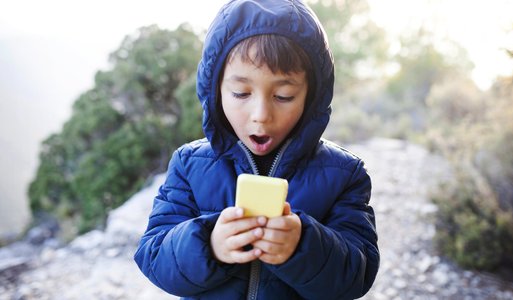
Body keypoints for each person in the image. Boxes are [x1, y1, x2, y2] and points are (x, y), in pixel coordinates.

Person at [134, 0, 379, 299]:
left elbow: (358, 274)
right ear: (215, 90)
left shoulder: (345, 175)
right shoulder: (189, 165)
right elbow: (154, 257)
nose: (261, 114)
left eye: (283, 95)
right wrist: (209, 244)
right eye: (241, 93)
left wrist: (303, 246)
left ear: (311, 97)